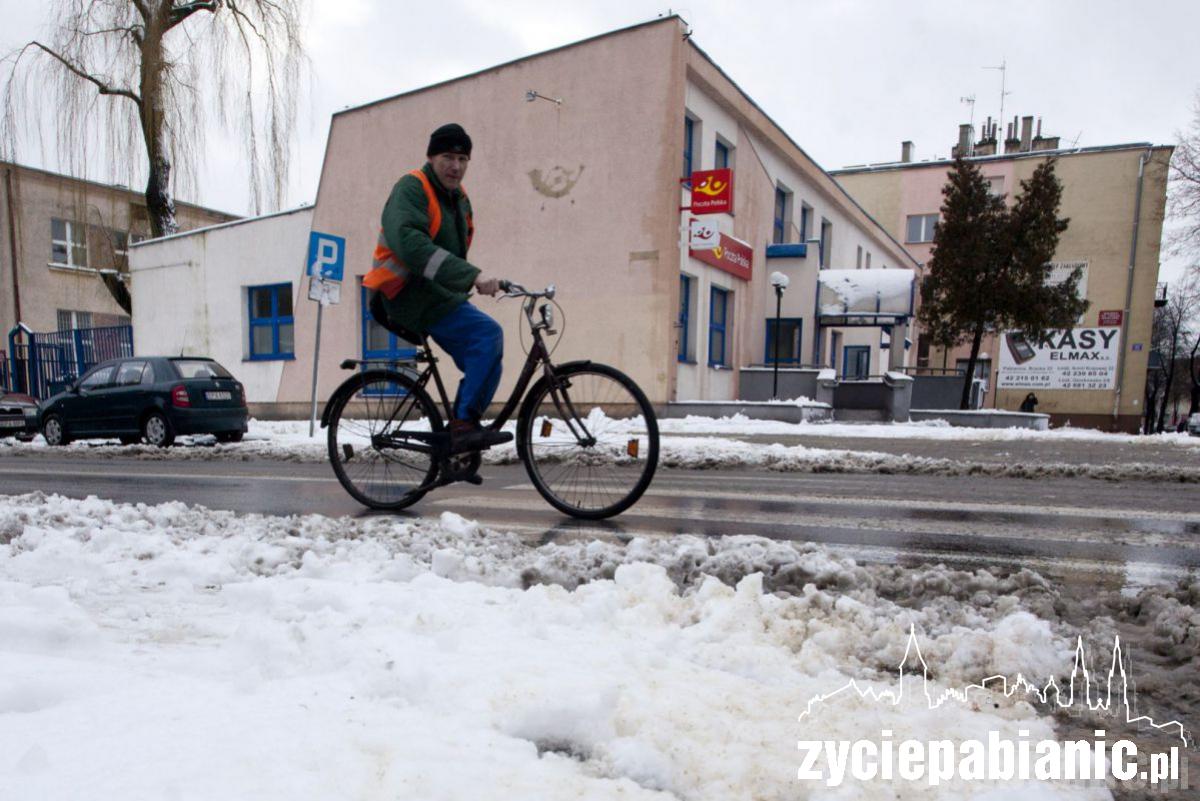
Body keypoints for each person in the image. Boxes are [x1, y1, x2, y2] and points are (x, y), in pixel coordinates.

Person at [363, 123, 511, 453]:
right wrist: (471, 276)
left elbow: (450, 254)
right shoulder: (412, 188)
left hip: (434, 294)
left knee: (485, 355)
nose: (455, 166)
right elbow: (411, 245)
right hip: (404, 293)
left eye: (462, 158)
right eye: (447, 157)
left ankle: (460, 439)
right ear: (431, 157)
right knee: (487, 335)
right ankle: (462, 428)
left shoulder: (458, 200)